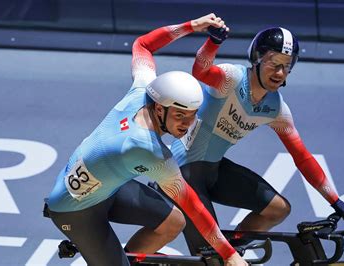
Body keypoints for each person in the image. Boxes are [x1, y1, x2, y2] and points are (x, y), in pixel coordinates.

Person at [44, 14, 247, 266]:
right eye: (180, 115)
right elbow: (193, 205)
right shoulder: (146, 151)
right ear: (160, 109)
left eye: (192, 116)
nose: (186, 124)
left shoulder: (143, 89)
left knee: (174, 222)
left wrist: (191, 26)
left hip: (108, 187)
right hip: (75, 210)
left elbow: (143, 45)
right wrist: (230, 255)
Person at [170, 18, 344, 254]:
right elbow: (200, 70)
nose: (280, 72)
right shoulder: (231, 79)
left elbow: (302, 158)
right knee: (214, 257)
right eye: (274, 63)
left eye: (287, 65)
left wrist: (335, 201)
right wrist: (213, 43)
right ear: (257, 59)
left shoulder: (276, 109)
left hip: (213, 171)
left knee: (278, 209)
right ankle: (221, 255)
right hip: (181, 173)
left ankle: (233, 249)